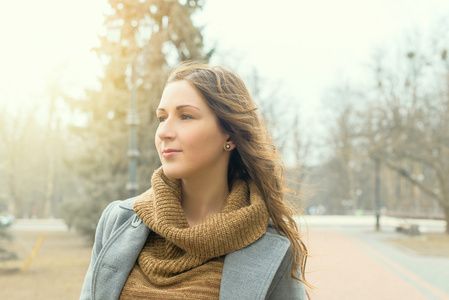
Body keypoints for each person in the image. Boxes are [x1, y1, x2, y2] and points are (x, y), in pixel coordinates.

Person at [80, 62, 309, 299]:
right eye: (162, 118)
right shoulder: (118, 220)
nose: (164, 132)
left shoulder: (272, 245)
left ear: (229, 134)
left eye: (186, 116)